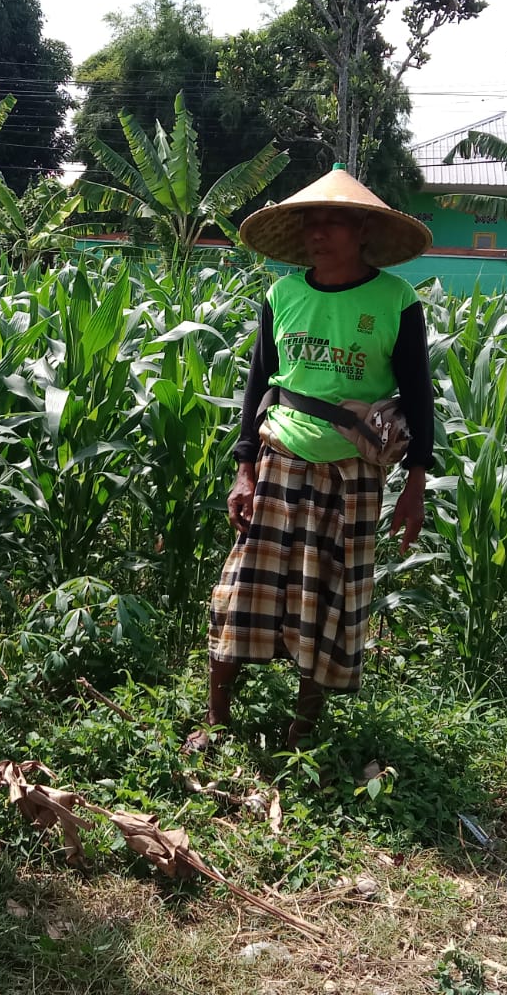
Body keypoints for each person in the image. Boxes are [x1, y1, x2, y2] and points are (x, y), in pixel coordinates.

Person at [188, 164, 436, 753]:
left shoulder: (396, 301)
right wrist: (244, 466)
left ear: (362, 233)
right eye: (311, 223)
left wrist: (416, 482)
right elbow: (258, 384)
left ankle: (302, 729)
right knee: (241, 586)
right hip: (281, 460)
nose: (318, 233)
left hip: (354, 472)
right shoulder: (283, 294)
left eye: (333, 222)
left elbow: (418, 392)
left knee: (329, 594)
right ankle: (217, 717)